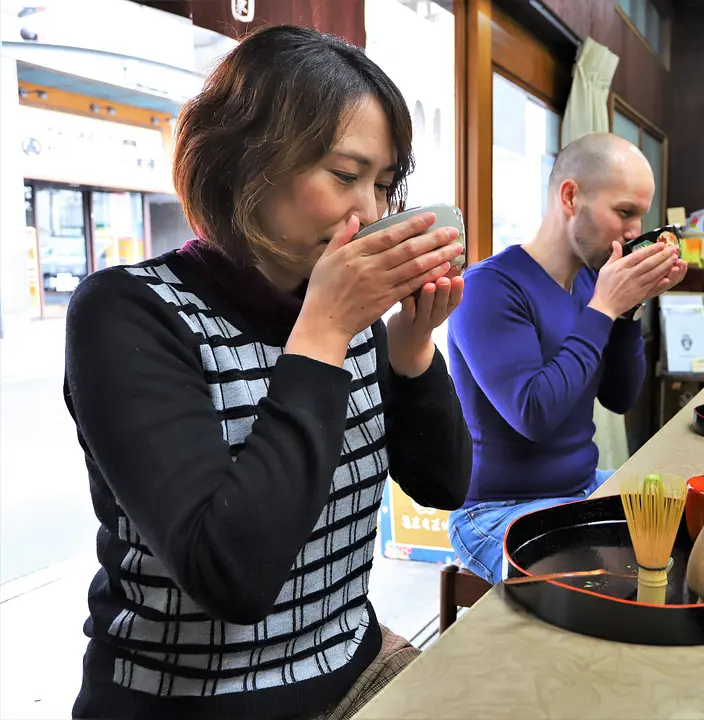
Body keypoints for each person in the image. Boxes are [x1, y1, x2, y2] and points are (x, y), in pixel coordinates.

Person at [63, 25, 471, 720]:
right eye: (345, 176)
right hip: (185, 703)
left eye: (383, 184)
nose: (370, 212)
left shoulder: (346, 315)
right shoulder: (128, 313)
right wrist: (323, 332)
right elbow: (231, 576)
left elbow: (444, 487)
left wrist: (412, 346)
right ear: (246, 161)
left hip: (352, 664)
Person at [445, 132, 688, 584]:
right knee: (610, 584)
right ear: (571, 197)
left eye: (641, 215)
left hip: (579, 487)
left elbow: (619, 397)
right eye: (624, 212)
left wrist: (630, 309)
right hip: (497, 510)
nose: (634, 231)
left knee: (689, 533)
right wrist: (605, 308)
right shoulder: (488, 288)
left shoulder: (591, 284)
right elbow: (534, 415)